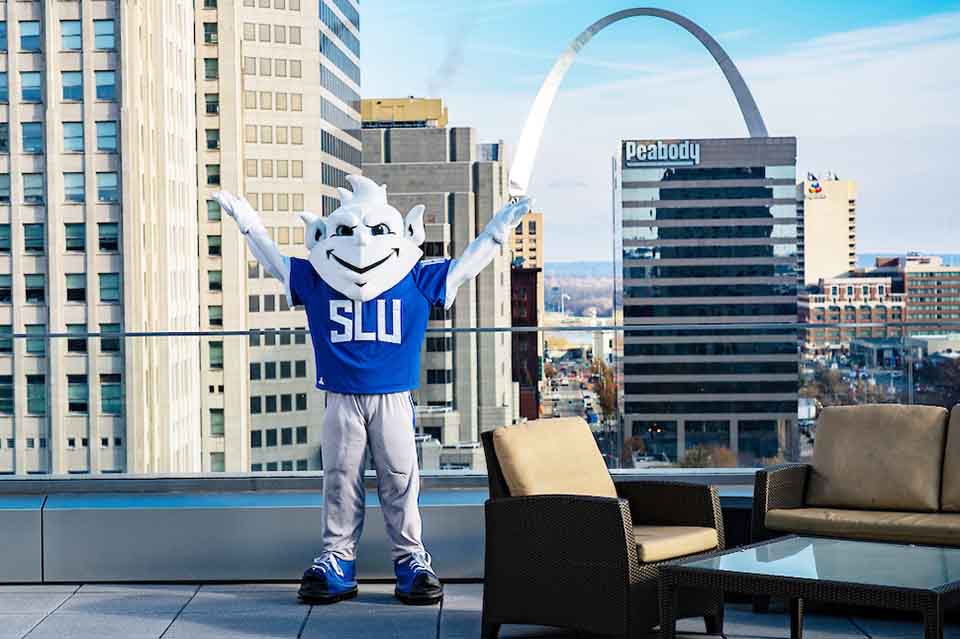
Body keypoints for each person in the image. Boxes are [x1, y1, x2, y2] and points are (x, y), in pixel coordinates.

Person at [215, 175, 531, 606]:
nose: (361, 240)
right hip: (341, 397)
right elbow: (275, 262)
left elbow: (467, 265)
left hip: (394, 398)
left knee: (400, 479)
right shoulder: (318, 276)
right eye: (347, 230)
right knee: (339, 479)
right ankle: (337, 559)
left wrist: (497, 230)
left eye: (376, 229)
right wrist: (248, 223)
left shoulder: (416, 276)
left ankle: (411, 558)